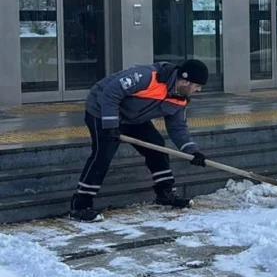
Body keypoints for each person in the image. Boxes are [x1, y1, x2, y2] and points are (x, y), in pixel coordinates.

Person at [70, 60, 210, 222]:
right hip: (101, 109)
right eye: (197, 86)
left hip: (134, 118)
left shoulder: (180, 98)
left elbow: (178, 128)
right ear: (185, 81)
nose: (198, 90)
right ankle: (80, 205)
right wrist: (110, 124)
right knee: (103, 154)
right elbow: (111, 92)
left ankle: (165, 193)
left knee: (157, 146)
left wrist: (192, 151)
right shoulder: (148, 77)